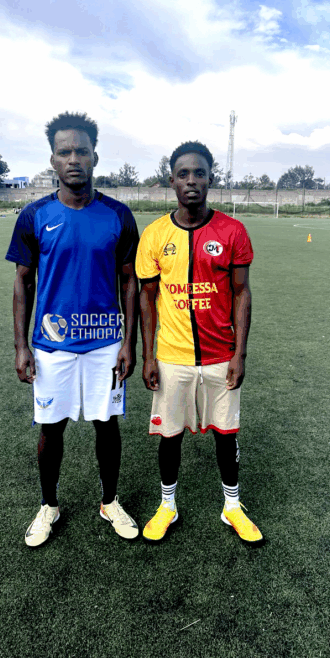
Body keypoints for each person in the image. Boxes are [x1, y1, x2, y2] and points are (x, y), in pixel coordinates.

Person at [6, 112, 140, 547]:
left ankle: (109, 501)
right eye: (64, 152)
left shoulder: (118, 215)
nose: (73, 159)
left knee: (107, 424)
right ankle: (49, 506)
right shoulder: (35, 214)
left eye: (81, 151)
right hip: (52, 344)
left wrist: (129, 343)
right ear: (53, 160)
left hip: (105, 343)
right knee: (52, 427)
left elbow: (130, 282)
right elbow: (23, 281)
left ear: (95, 157)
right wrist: (21, 346)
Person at [136, 141, 263, 544]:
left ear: (211, 179)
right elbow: (146, 298)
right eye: (183, 174)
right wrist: (148, 356)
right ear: (172, 181)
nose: (191, 181)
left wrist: (240, 354)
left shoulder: (232, 231)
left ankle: (232, 507)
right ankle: (167, 506)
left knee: (226, 434)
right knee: (169, 435)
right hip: (171, 357)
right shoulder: (155, 234)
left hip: (220, 356)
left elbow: (242, 293)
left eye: (199, 173)